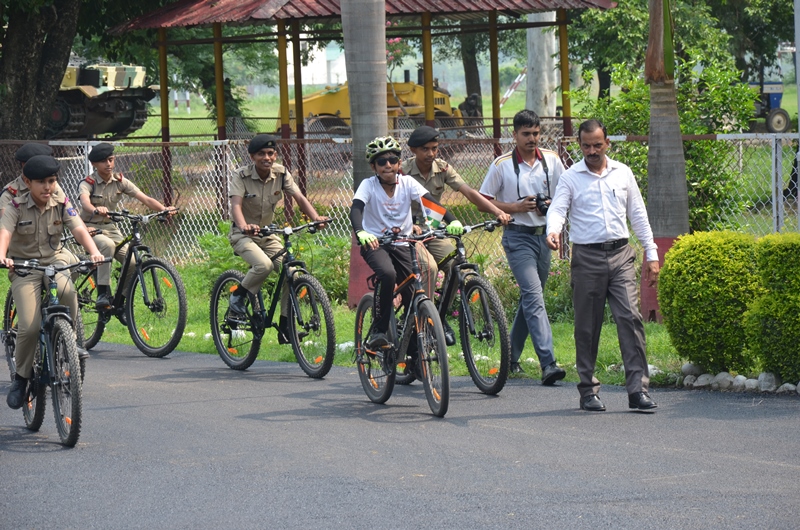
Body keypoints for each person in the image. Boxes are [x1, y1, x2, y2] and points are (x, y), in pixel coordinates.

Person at [545, 119, 659, 412]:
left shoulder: (623, 173)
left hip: (621, 255)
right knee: (587, 326)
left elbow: (638, 214)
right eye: (586, 145)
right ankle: (588, 390)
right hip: (587, 259)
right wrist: (553, 230)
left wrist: (652, 252)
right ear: (580, 145)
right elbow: (558, 208)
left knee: (630, 320)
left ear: (607, 143)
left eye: (598, 144)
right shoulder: (571, 177)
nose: (592, 150)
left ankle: (637, 390)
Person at [0, 155, 104, 409]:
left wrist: (93, 251)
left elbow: (78, 227)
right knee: (29, 326)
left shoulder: (60, 199)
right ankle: (22, 379)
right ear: (27, 181)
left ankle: (71, 341)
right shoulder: (14, 203)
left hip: (54, 260)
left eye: (52, 180)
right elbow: (5, 232)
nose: (48, 187)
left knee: (69, 292)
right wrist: (2, 256)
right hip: (25, 268)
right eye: (41, 182)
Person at [350, 136, 463, 349]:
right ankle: (379, 330)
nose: (388, 165)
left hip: (403, 243)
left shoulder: (408, 183)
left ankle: (413, 353)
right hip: (376, 244)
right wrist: (361, 232)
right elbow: (356, 209)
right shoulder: (368, 185)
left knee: (415, 296)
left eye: (392, 160)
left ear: (399, 163)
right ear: (374, 166)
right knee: (388, 273)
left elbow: (431, 202)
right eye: (381, 162)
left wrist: (452, 220)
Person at [479, 109, 566, 385]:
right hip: (517, 237)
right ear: (514, 134)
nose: (532, 139)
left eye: (536, 134)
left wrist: (553, 209)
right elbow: (483, 200)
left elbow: (566, 193)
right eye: (526, 134)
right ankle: (548, 363)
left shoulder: (552, 160)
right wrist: (514, 207)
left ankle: (511, 358)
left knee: (531, 299)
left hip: (544, 237)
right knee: (534, 295)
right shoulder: (502, 164)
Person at [401, 125, 510, 345]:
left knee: (454, 264)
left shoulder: (442, 168)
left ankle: (440, 313)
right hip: (409, 232)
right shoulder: (402, 171)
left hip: (433, 229)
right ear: (413, 149)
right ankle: (426, 319)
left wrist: (497, 211)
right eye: (425, 149)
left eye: (434, 148)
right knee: (429, 268)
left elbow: (469, 192)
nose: (431, 153)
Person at [226, 134, 328, 343]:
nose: (267, 158)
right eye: (261, 154)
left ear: (275, 155)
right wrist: (244, 227)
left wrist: (316, 218)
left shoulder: (281, 174)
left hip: (267, 234)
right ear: (252, 156)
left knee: (290, 271)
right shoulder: (241, 176)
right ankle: (238, 295)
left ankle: (285, 326)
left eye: (271, 153)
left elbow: (299, 197)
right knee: (263, 265)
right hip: (243, 233)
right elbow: (236, 205)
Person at [78, 142, 176, 309]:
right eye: (103, 161)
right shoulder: (88, 183)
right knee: (107, 246)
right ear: (94, 164)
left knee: (132, 262)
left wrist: (163, 209)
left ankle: (122, 301)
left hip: (111, 228)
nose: (108, 164)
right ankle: (102, 292)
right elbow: (85, 202)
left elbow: (145, 198)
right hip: (89, 229)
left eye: (110, 159)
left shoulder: (120, 181)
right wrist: (96, 209)